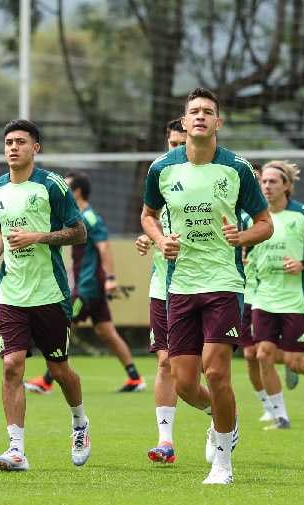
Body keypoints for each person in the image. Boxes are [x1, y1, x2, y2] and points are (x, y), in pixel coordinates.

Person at [141, 88, 273, 485]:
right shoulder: (162, 168)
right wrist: (160, 239)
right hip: (179, 286)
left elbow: (266, 223)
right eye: (193, 112)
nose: (200, 116)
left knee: (216, 373)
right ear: (183, 122)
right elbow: (148, 215)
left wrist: (243, 237)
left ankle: (223, 461)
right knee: (183, 383)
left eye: (208, 112)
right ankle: (222, 420)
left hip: (223, 283)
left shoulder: (237, 169)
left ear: (219, 122)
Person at [0, 119, 92, 472]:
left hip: (50, 293)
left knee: (59, 369)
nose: (13, 147)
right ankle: (16, 450)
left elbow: (79, 233)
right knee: (12, 365)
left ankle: (80, 423)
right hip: (11, 293)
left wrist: (37, 237)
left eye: (21, 142)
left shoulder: (52, 186)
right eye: (8, 142)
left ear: (36, 148)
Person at [135, 119, 218, 465]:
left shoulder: (212, 181)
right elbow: (149, 219)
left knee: (201, 370)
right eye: (170, 143)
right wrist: (150, 238)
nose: (174, 149)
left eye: (179, 143)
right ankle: (165, 441)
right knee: (166, 361)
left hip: (208, 285)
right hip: (164, 286)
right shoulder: (161, 176)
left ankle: (219, 413)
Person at [25, 172, 145, 394]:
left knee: (61, 323)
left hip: (88, 287)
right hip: (90, 285)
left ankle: (47, 380)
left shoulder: (89, 218)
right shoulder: (78, 217)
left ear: (77, 191)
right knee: (106, 331)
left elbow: (104, 247)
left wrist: (110, 278)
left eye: (67, 186)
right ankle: (135, 378)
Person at [249, 160, 304, 429]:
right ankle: (280, 416)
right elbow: (244, 246)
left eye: (273, 182)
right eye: (263, 181)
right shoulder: (254, 216)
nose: (267, 186)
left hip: (293, 300)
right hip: (263, 297)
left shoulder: (303, 215)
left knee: (295, 362)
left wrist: (302, 264)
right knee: (262, 354)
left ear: (286, 186)